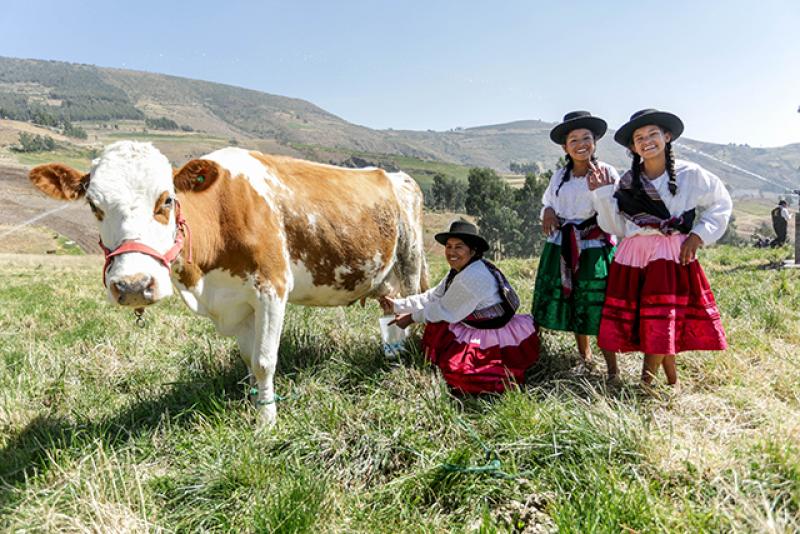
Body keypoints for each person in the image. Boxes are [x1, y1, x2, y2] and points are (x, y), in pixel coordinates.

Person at [588, 109, 732, 391]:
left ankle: (647, 385)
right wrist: (602, 195)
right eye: (639, 138)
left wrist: (698, 235)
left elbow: (721, 202)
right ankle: (670, 381)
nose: (646, 141)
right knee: (650, 318)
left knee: (662, 317)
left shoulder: (691, 174)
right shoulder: (626, 183)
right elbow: (615, 226)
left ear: (667, 136)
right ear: (633, 147)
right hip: (633, 256)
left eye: (652, 134)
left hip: (670, 255)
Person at [380, 220, 539, 394]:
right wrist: (398, 305)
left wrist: (410, 318)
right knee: (436, 322)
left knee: (459, 373)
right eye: (449, 246)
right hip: (476, 322)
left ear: (473, 251)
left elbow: (443, 309)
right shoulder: (460, 270)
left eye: (459, 247)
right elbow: (434, 296)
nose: (451, 252)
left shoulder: (472, 277)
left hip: (491, 333)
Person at [532, 111, 620, 380]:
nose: (581, 144)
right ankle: (585, 356)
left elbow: (614, 213)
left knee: (596, 302)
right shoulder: (560, 176)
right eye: (574, 140)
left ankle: (613, 370)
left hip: (593, 247)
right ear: (565, 147)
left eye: (586, 138)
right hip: (561, 246)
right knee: (573, 300)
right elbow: (549, 201)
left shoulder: (606, 173)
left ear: (595, 142)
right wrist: (547, 211)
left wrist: (601, 192)